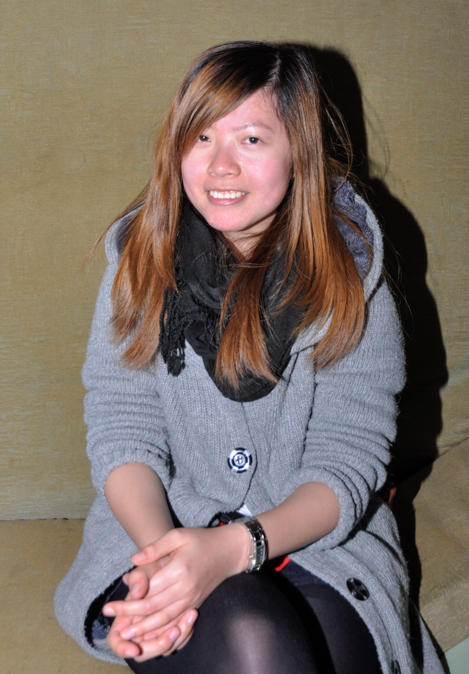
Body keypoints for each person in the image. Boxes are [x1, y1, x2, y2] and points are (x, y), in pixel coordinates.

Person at [55, 41, 444, 674]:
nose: (220, 166)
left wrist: (236, 549)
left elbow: (348, 458)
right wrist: (170, 563)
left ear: (299, 151)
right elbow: (123, 429)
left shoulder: (351, 271)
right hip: (161, 529)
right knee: (250, 632)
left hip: (318, 547)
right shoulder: (142, 259)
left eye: (252, 140)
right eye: (202, 137)